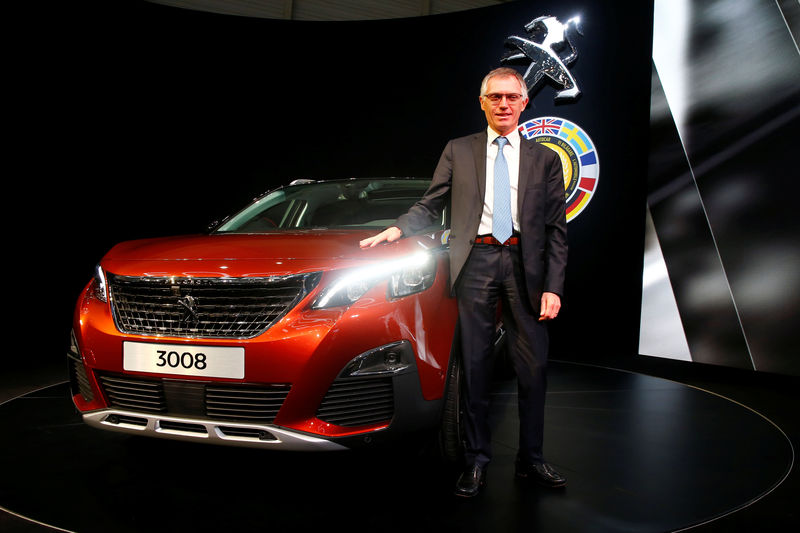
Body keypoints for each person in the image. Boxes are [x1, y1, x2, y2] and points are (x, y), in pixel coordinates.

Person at [360, 67, 568, 497]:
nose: (504, 104)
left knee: (533, 371)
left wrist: (554, 285)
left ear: (524, 103)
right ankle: (476, 462)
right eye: (495, 97)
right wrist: (397, 229)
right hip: (475, 262)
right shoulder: (459, 150)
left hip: (526, 268)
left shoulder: (544, 159)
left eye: (512, 97)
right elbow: (430, 202)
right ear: (483, 102)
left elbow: (555, 230)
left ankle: (531, 460)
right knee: (474, 367)